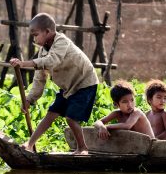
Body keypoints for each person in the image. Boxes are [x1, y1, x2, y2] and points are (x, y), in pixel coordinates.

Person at [10, 12, 99, 155]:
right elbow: (39, 79)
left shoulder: (61, 41)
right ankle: (30, 144)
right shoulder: (42, 52)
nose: (34, 38)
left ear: (47, 32)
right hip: (68, 88)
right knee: (50, 114)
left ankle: (82, 148)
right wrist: (29, 99)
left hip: (84, 83)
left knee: (71, 118)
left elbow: (53, 60)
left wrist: (23, 64)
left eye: (36, 34)